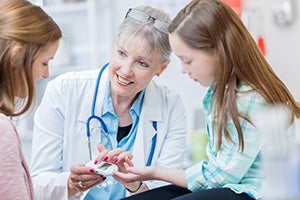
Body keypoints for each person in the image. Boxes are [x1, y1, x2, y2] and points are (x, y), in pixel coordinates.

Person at [113, 0, 300, 200]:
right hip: (228, 187)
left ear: (217, 51)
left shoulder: (248, 97)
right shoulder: (219, 94)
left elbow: (219, 176)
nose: (184, 70)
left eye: (187, 60)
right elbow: (216, 172)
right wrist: (148, 173)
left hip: (253, 193)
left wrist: (155, 172)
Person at [30, 5, 187, 200]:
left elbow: (166, 193)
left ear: (161, 68)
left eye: (142, 63)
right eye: (122, 53)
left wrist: (135, 185)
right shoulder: (64, 90)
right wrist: (70, 184)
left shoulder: (171, 106)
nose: (126, 70)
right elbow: (36, 185)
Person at [0, 0, 62, 199]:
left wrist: (68, 184)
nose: (46, 74)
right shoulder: (2, 131)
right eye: (44, 62)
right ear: (17, 57)